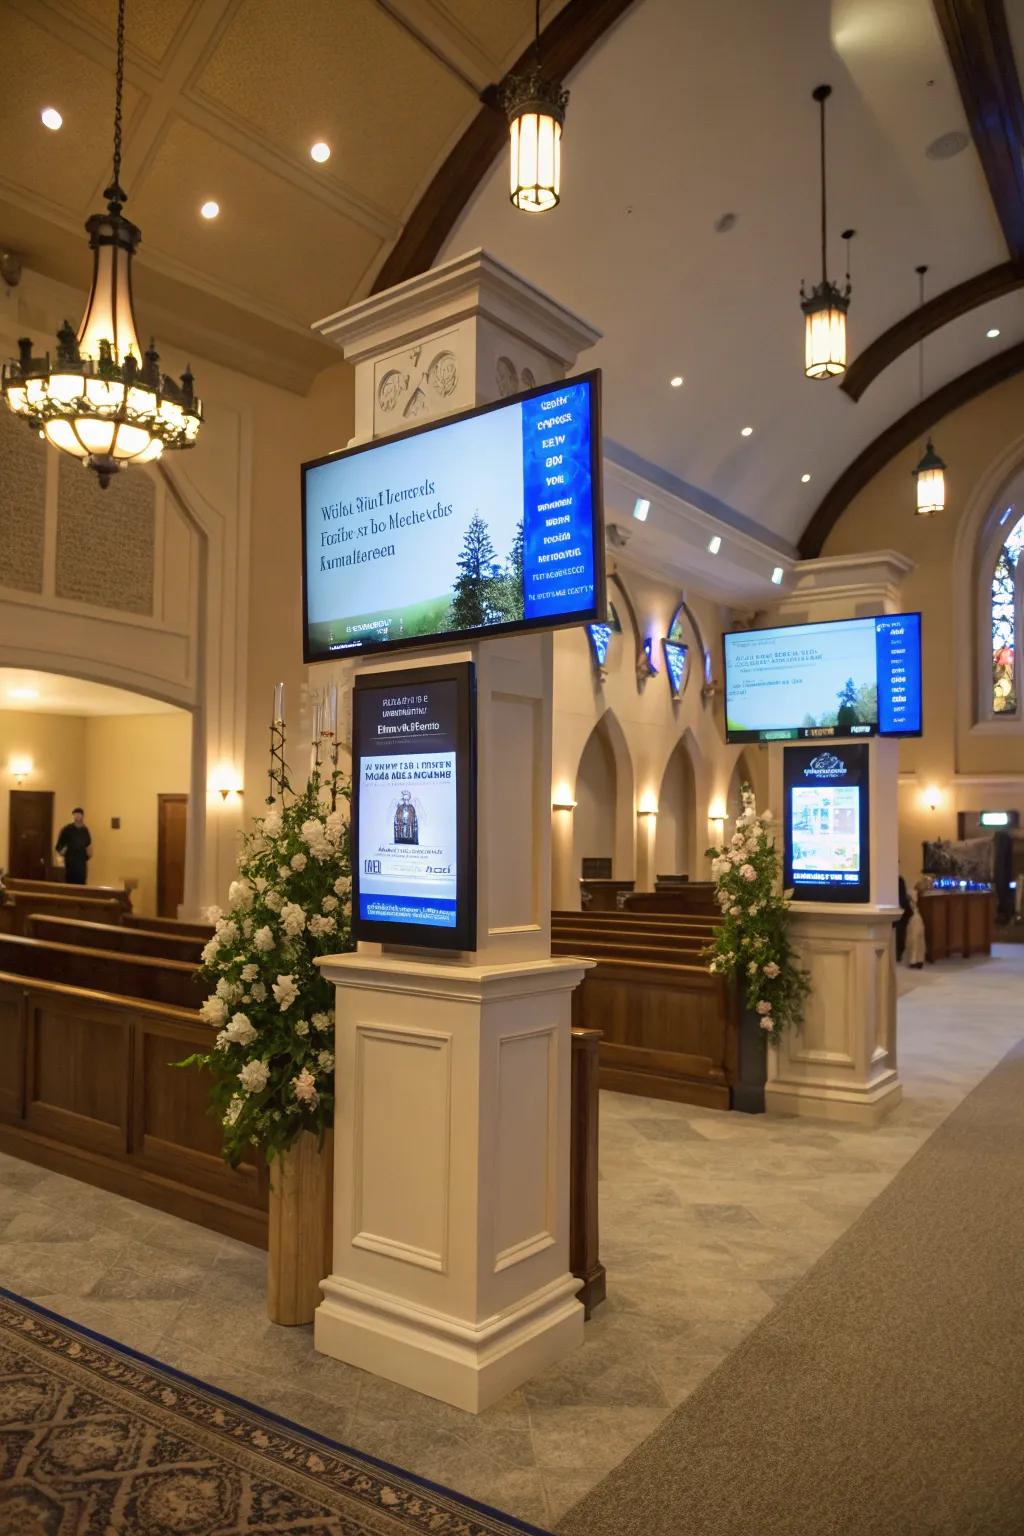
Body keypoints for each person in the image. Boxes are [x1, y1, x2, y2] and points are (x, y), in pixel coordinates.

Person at [55, 807, 92, 885]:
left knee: (81, 882)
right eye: (75, 815)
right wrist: (62, 855)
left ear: (82, 816)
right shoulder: (67, 829)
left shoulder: (85, 830)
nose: (77, 816)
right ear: (73, 816)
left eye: (79, 814)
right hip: (70, 861)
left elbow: (88, 845)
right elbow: (59, 845)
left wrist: (89, 854)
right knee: (70, 882)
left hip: (81, 862)